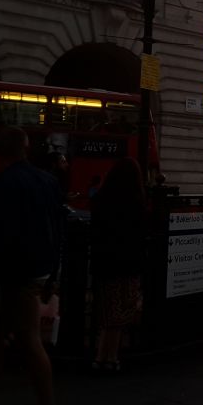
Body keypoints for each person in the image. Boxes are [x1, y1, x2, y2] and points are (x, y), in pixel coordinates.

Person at [0, 127, 64, 405]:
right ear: (26, 147)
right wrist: (53, 275)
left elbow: (0, 238)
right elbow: (57, 228)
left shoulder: (2, 185)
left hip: (16, 277)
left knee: (27, 341)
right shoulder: (49, 181)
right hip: (36, 272)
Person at [89, 158, 148, 373]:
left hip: (105, 263)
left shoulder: (101, 199)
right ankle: (110, 357)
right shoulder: (137, 201)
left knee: (108, 311)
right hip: (129, 263)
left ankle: (101, 355)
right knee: (121, 312)